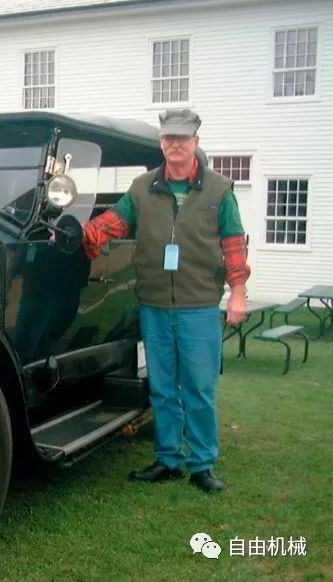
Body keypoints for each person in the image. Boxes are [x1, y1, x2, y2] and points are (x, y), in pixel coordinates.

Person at [82, 109, 250, 493]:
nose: (175, 145)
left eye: (183, 139)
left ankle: (203, 463)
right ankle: (168, 459)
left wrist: (238, 292)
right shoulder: (141, 188)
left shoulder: (220, 190)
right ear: (161, 143)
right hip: (155, 306)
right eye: (169, 139)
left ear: (195, 143)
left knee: (199, 388)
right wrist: (82, 234)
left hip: (199, 307)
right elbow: (113, 223)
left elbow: (234, 244)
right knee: (162, 386)